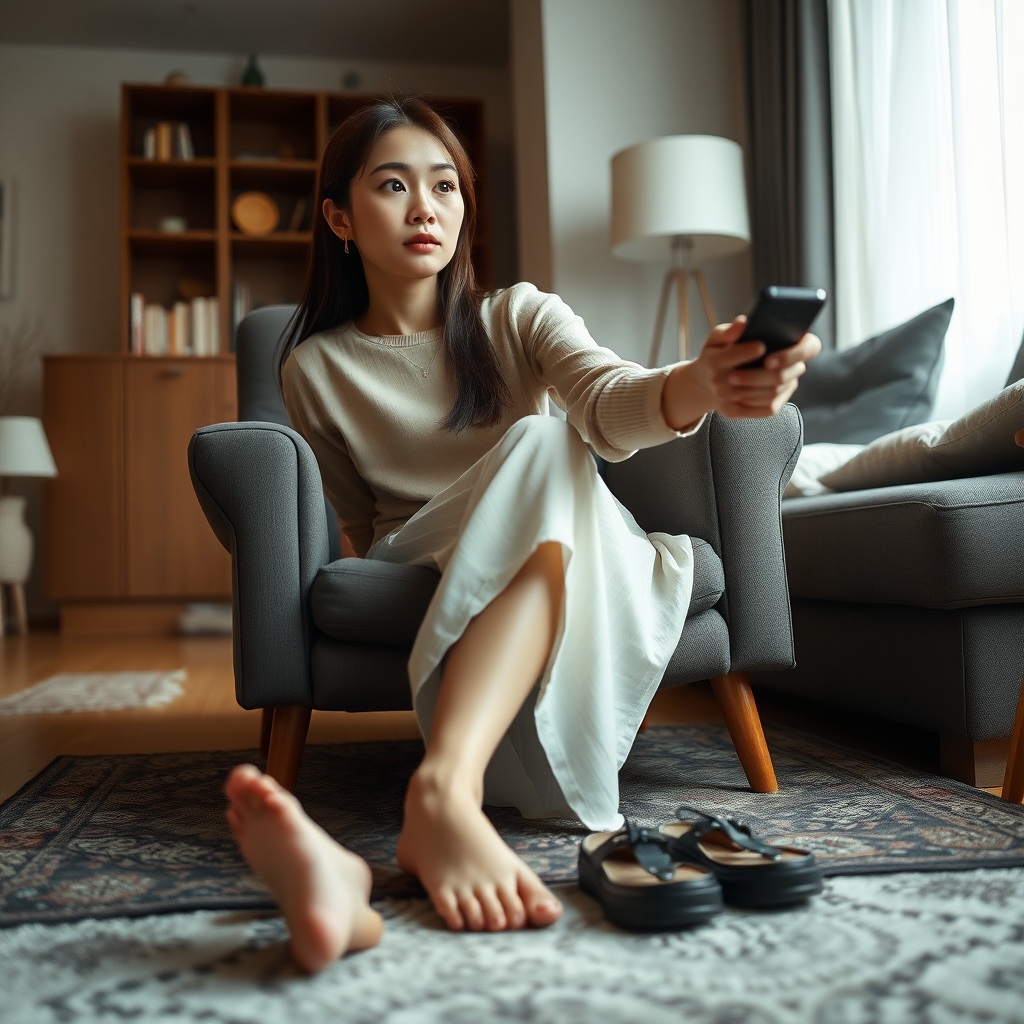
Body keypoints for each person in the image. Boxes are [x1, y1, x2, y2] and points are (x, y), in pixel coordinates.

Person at [224, 97, 820, 972]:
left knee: (545, 441)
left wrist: (705, 378)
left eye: (444, 186)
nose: (426, 207)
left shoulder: (519, 317)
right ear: (341, 218)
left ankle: (418, 814)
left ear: (464, 208)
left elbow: (612, 400)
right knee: (540, 445)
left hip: (564, 528)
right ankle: (431, 812)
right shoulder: (315, 365)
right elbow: (358, 525)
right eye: (393, 186)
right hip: (421, 543)